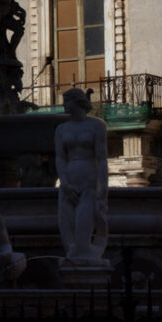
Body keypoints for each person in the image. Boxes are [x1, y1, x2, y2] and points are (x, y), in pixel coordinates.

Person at [55, 88, 109, 262]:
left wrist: (103, 188)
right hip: (69, 182)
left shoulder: (97, 126)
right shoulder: (61, 129)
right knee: (67, 226)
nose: (64, 104)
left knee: (82, 230)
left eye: (66, 101)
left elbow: (101, 159)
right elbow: (60, 158)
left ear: (76, 102)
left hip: (89, 182)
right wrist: (64, 182)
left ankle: (88, 254)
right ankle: (74, 256)